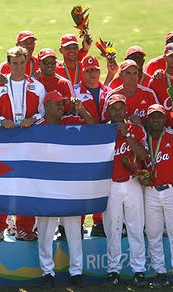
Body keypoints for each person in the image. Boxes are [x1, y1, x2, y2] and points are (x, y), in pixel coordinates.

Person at [37, 90, 94, 288]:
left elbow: (94, 129)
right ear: (46, 106)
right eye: (57, 103)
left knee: (74, 230)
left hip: (69, 187)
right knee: (45, 232)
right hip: (46, 188)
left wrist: (82, 110)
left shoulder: (71, 121)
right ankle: (47, 272)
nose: (62, 106)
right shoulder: (36, 126)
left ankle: (76, 271)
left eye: (63, 103)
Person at [0, 46, 45, 241]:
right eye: (15, 63)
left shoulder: (36, 86)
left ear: (27, 62)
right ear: (8, 64)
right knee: (2, 185)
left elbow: (43, 113)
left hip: (28, 144)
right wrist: (1, 120)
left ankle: (25, 228)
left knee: (26, 185)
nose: (19, 67)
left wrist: (33, 119)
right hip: (4, 141)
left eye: (22, 63)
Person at [103, 94, 148, 287]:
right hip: (110, 185)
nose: (118, 112)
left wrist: (127, 134)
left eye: (121, 108)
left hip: (132, 183)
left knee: (136, 228)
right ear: (109, 111)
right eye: (114, 108)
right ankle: (113, 270)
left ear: (126, 109)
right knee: (112, 229)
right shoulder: (102, 130)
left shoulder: (136, 129)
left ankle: (139, 270)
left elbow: (144, 155)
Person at [143, 104, 173, 289]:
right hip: (150, 192)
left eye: (159, 117)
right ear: (147, 120)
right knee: (153, 234)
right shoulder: (143, 141)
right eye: (152, 117)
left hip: (172, 191)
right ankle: (159, 272)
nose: (156, 120)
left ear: (165, 119)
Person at [73, 56, 111, 236]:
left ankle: (99, 222)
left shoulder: (108, 91)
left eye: (95, 69)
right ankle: (77, 224)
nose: (93, 73)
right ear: (82, 72)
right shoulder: (74, 91)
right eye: (88, 70)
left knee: (101, 185)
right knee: (80, 186)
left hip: (103, 148)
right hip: (81, 148)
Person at [104, 60, 159, 125]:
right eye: (128, 73)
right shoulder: (112, 95)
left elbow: (158, 117)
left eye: (135, 73)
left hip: (145, 132)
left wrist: (142, 123)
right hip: (119, 133)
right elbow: (104, 120)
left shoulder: (149, 93)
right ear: (121, 76)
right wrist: (125, 120)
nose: (132, 76)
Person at [149, 43, 173, 133]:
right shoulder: (156, 80)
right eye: (171, 56)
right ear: (164, 57)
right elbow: (151, 108)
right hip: (165, 130)